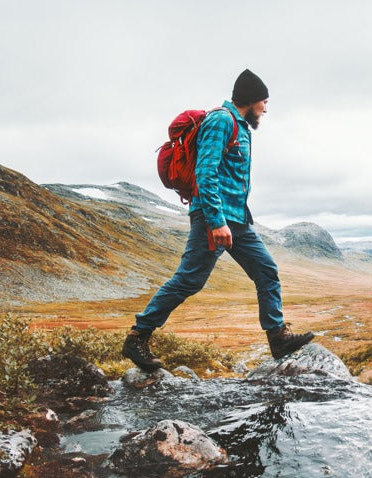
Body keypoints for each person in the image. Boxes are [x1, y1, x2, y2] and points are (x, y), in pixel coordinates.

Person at [122, 69, 315, 371]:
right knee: (189, 280)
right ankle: (138, 336)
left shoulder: (241, 127)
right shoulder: (221, 121)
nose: (266, 108)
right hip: (214, 217)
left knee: (266, 271)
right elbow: (205, 172)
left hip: (237, 219)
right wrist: (216, 221)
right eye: (264, 102)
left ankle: (277, 337)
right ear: (251, 101)